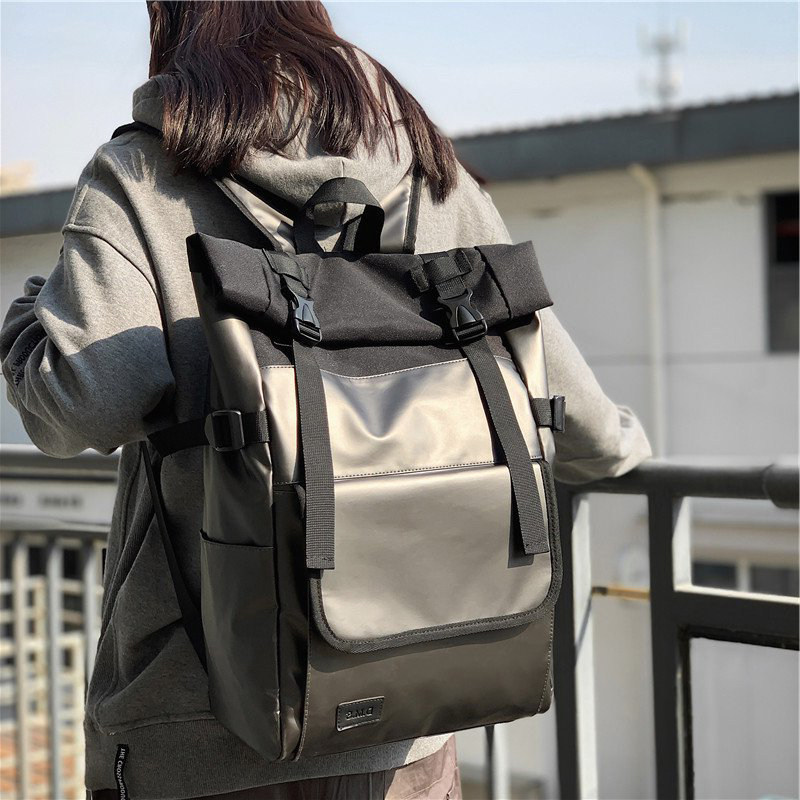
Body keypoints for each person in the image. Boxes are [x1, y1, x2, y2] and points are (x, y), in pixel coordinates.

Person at [0, 2, 651, 798]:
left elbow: (81, 404)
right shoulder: (424, 168)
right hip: (407, 719)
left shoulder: (142, 172)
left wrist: (27, 317)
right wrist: (628, 446)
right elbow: (570, 411)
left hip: (198, 727)